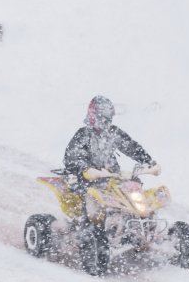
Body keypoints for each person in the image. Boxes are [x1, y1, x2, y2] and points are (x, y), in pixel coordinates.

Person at [63, 95, 158, 223]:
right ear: (93, 116)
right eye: (102, 118)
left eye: (108, 119)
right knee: (92, 202)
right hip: (88, 180)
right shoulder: (83, 134)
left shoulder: (113, 133)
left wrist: (148, 161)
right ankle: (88, 231)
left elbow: (131, 146)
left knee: (133, 188)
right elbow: (72, 155)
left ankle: (145, 221)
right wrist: (85, 168)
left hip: (112, 177)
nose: (105, 122)